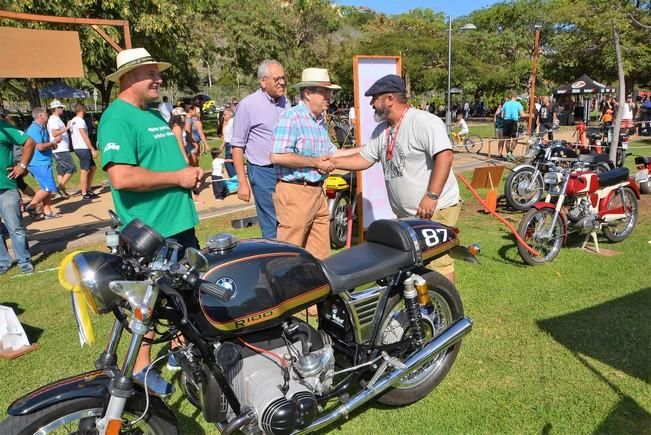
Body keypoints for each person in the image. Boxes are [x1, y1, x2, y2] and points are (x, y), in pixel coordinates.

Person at [98, 47, 203, 396]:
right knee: (146, 303)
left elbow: (164, 164)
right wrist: (178, 178)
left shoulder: (154, 115)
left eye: (158, 72)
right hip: (151, 234)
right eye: (151, 73)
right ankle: (140, 368)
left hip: (178, 226)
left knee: (183, 297)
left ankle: (177, 353)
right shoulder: (117, 118)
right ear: (128, 78)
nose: (159, 78)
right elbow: (122, 178)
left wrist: (190, 174)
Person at [331, 74, 460, 284]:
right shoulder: (383, 130)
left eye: (375, 98)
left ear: (389, 99)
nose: (372, 103)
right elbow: (364, 159)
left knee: (437, 260)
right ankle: (422, 308)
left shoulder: (423, 121)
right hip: (408, 213)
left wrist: (431, 195)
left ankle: (448, 311)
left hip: (437, 208)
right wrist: (333, 163)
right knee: (416, 261)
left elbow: (445, 156)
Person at [270, 68, 341, 261]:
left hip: (317, 191)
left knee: (320, 257)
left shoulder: (319, 122)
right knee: (289, 256)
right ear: (308, 93)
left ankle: (320, 291)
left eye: (330, 91)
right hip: (295, 192)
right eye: (324, 91)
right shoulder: (291, 117)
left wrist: (368, 150)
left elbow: (333, 153)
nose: (329, 96)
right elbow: (277, 156)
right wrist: (316, 162)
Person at [231, 59, 290, 239]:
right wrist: (242, 182)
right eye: (276, 79)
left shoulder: (286, 103)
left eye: (283, 78)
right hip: (263, 172)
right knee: (271, 223)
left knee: (287, 220)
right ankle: (274, 263)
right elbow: (237, 145)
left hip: (287, 169)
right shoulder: (248, 105)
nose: (282, 82)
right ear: (263, 82)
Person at [0, 107, 36, 274]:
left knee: (15, 227)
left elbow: (29, 142)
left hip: (6, 186)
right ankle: (3, 263)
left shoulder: (4, 128)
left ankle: (24, 263)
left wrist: (22, 165)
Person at [25, 107, 61, 219]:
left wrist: (51, 145)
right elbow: (39, 147)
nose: (48, 116)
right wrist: (53, 142)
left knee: (46, 187)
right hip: (38, 163)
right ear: (40, 116)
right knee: (49, 187)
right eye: (46, 114)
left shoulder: (42, 128)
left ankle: (47, 211)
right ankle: (31, 206)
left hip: (44, 161)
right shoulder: (34, 130)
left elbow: (44, 145)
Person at [46, 100, 76, 198]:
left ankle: (61, 190)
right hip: (60, 149)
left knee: (61, 170)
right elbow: (54, 133)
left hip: (60, 148)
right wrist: (67, 127)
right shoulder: (54, 119)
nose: (62, 109)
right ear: (56, 109)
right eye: (61, 107)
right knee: (71, 168)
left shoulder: (55, 118)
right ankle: (59, 187)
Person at [69, 104, 99, 200]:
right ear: (83, 110)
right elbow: (84, 135)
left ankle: (88, 189)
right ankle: (84, 192)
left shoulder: (73, 121)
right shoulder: (80, 121)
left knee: (93, 168)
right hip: (82, 147)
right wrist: (92, 148)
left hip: (78, 147)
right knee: (85, 170)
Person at [500, 91, 527, 161]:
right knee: (515, 139)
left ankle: (508, 154)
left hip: (505, 121)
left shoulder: (505, 104)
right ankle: (510, 152)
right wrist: (531, 115)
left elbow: (502, 115)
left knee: (508, 139)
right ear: (515, 97)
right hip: (513, 122)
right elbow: (522, 115)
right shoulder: (518, 104)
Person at [221, 107, 236, 177]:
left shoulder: (232, 122)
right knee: (231, 163)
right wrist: (221, 146)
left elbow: (235, 134)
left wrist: (232, 147)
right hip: (227, 144)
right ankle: (235, 178)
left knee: (228, 163)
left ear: (229, 114)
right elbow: (226, 137)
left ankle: (234, 178)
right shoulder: (228, 123)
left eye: (224, 114)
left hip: (231, 144)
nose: (223, 116)